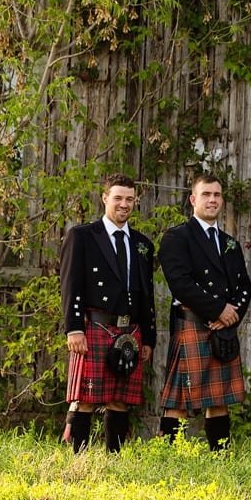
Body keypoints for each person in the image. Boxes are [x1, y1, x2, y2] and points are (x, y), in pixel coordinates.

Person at [60, 173, 156, 453]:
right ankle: (79, 458)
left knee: (120, 399)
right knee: (86, 397)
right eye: (118, 198)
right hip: (95, 326)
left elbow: (147, 294)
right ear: (105, 198)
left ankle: (114, 457)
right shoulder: (83, 236)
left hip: (130, 330)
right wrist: (74, 328)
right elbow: (69, 284)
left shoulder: (142, 244)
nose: (124, 204)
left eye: (130, 199)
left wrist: (148, 337)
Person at [157, 174, 251, 450]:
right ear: (193, 199)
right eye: (206, 194)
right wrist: (218, 309)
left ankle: (220, 457)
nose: (212, 200)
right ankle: (168, 456)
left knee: (219, 398)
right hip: (192, 323)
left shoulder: (229, 242)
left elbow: (244, 285)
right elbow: (181, 284)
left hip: (222, 329)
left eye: (217, 195)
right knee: (178, 400)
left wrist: (232, 315)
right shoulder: (177, 237)